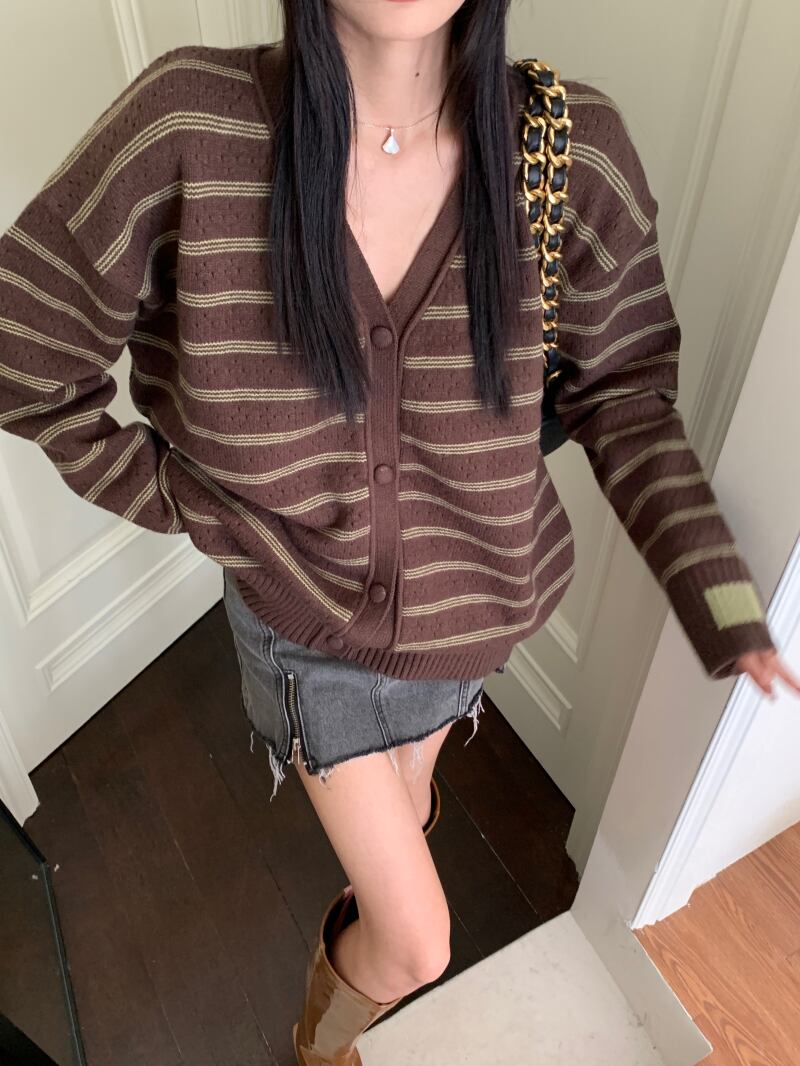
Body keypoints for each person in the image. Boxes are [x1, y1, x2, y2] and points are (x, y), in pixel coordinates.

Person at [1, 2, 798, 1063]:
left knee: (411, 809)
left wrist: (728, 603)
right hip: (306, 630)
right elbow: (23, 353)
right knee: (419, 939)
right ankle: (320, 1043)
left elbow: (627, 398)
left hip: (476, 609)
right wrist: (189, 503)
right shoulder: (187, 128)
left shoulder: (572, 152)